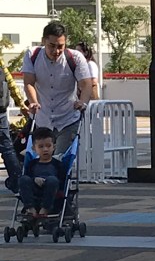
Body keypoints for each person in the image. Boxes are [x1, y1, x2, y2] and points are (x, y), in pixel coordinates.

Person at [22, 21, 94, 155]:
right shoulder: (32, 55)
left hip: (67, 118)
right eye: (52, 46)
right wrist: (33, 102)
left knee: (59, 159)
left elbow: (86, 84)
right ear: (43, 41)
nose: (56, 51)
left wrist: (82, 102)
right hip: (42, 118)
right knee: (42, 159)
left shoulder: (75, 58)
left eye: (61, 46)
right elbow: (29, 82)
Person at [18, 127, 63, 219]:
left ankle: (45, 209)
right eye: (41, 147)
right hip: (34, 191)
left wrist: (48, 181)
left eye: (48, 146)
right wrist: (34, 179)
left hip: (51, 191)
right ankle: (30, 208)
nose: (45, 149)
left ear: (54, 147)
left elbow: (62, 180)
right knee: (23, 179)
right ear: (34, 149)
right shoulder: (32, 164)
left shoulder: (58, 164)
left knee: (53, 180)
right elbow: (27, 177)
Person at [0, 59, 22, 191]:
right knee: (7, 148)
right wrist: (21, 103)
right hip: (1, 111)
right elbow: (10, 82)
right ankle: (17, 182)